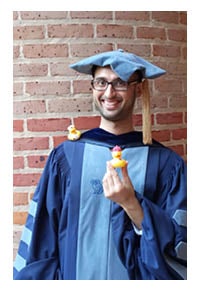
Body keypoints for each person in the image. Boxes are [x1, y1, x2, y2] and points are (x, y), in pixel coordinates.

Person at [13, 49, 187, 280]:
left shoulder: (166, 164)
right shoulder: (66, 158)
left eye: (120, 83)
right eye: (101, 82)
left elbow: (181, 248)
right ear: (92, 88)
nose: (109, 92)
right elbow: (41, 241)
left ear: (138, 88)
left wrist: (132, 204)